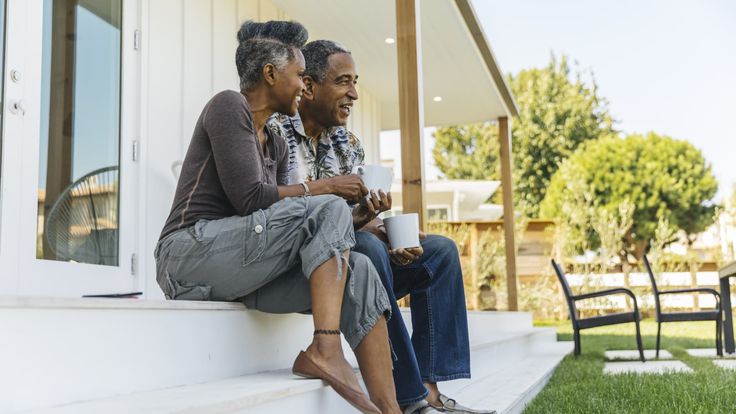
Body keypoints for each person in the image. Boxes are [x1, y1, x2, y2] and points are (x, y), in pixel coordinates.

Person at [155, 21, 402, 414]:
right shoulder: (228, 106)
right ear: (270, 74)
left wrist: (354, 219)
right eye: (300, 75)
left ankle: (391, 409)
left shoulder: (276, 142)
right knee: (329, 202)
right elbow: (251, 198)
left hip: (242, 268)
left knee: (361, 271)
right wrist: (329, 188)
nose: (305, 85)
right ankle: (325, 347)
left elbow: (285, 223)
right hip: (187, 257)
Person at [270, 40, 496, 414]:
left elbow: (360, 217)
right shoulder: (276, 131)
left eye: (355, 82)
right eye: (343, 82)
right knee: (368, 249)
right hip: (306, 267)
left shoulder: (348, 143)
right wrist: (367, 232)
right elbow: (277, 210)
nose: (354, 93)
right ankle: (407, 397)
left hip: (355, 260)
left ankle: (429, 388)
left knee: (439, 252)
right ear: (308, 86)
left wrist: (385, 228)